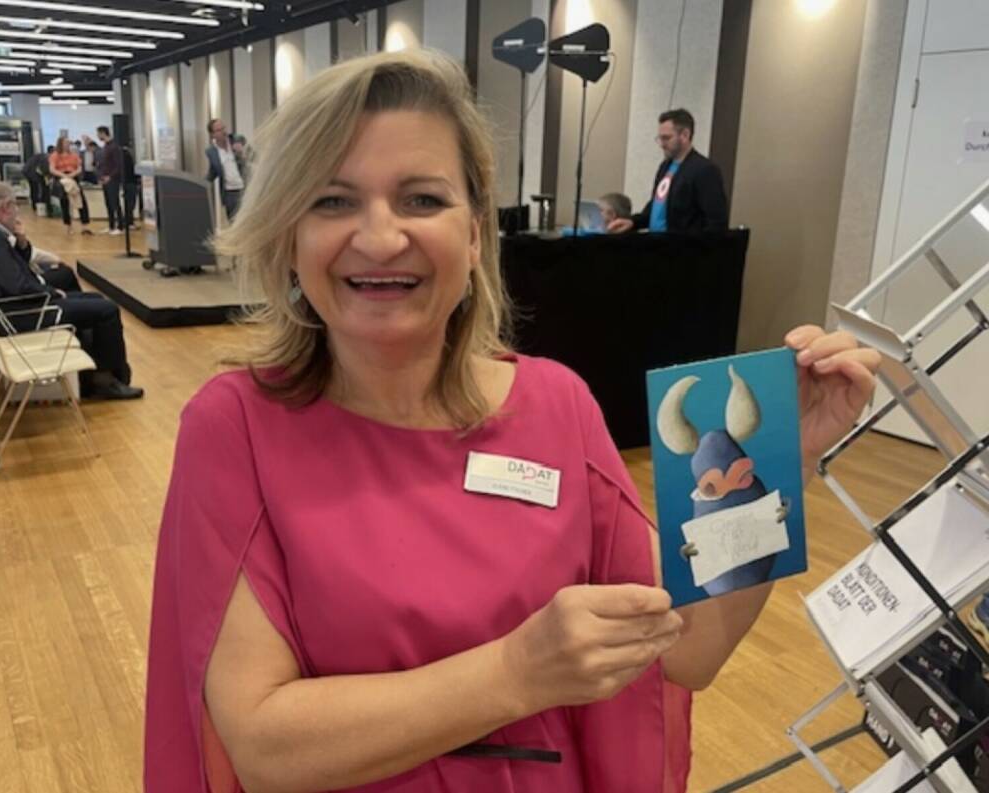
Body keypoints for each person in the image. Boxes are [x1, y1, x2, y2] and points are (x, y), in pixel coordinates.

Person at [144, 50, 879, 793]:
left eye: (421, 198)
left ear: (473, 234)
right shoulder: (235, 429)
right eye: (333, 201)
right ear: (287, 236)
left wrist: (771, 468)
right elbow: (264, 745)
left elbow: (687, 649)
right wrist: (515, 672)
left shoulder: (556, 405)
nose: (380, 237)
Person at [0, 180, 143, 400]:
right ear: (4, 207)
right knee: (107, 310)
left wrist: (21, 243)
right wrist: (51, 292)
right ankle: (105, 380)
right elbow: (17, 285)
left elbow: (13, 272)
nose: (17, 212)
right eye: (15, 206)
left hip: (12, 308)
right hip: (19, 314)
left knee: (94, 299)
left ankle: (91, 376)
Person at [608, 109, 728, 234]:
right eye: (660, 138)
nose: (662, 144)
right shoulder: (664, 167)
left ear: (685, 135)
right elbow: (657, 206)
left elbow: (716, 222)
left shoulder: (705, 170)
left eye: (666, 138)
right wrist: (633, 222)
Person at [48, 136, 93, 236]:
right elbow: (52, 169)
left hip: (73, 177)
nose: (68, 144)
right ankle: (68, 226)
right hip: (61, 178)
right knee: (65, 202)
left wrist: (72, 174)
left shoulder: (74, 155)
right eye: (65, 142)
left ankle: (85, 226)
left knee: (81, 201)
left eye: (68, 142)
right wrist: (63, 175)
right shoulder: (55, 155)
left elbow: (79, 168)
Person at [205, 118, 246, 219]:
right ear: (212, 134)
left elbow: (241, 138)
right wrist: (201, 185)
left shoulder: (235, 140)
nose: (223, 132)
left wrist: (241, 150)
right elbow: (213, 171)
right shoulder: (211, 152)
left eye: (223, 128)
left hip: (245, 189)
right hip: (230, 194)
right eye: (219, 130)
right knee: (234, 222)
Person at [96, 125, 124, 235]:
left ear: (103, 133)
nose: (98, 136)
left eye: (98, 133)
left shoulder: (114, 147)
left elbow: (118, 165)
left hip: (113, 179)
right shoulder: (105, 147)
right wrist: (101, 177)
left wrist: (110, 176)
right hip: (104, 179)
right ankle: (111, 225)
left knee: (115, 202)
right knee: (108, 203)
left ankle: (120, 226)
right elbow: (103, 164)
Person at [22, 146, 53, 212]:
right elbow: (42, 170)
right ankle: (39, 206)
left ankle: (36, 206)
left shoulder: (43, 156)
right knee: (37, 188)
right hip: (31, 171)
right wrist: (48, 179)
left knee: (34, 188)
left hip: (27, 170)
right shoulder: (47, 158)